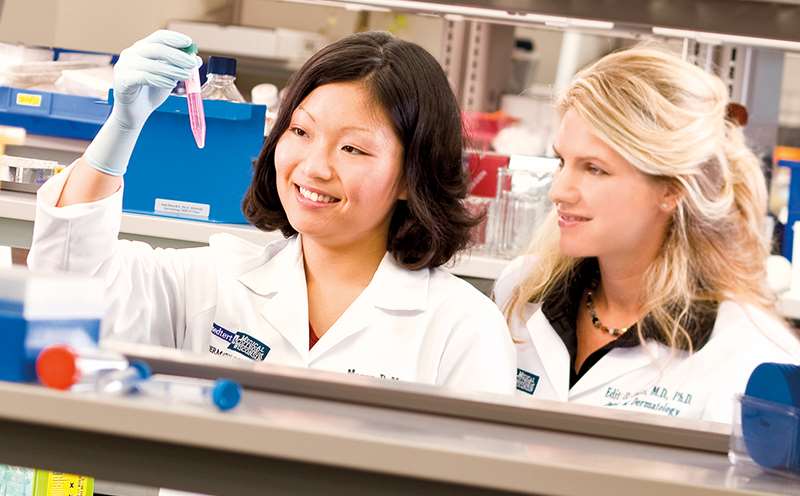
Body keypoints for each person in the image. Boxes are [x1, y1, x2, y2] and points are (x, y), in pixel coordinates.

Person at [28, 30, 516, 395]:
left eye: (353, 149)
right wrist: (123, 126)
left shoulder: (462, 327)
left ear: (413, 175)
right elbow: (70, 283)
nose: (315, 166)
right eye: (300, 132)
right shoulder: (216, 279)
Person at [494, 46, 800, 422]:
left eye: (594, 169)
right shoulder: (520, 292)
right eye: (562, 161)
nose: (559, 190)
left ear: (671, 190)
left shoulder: (747, 354)